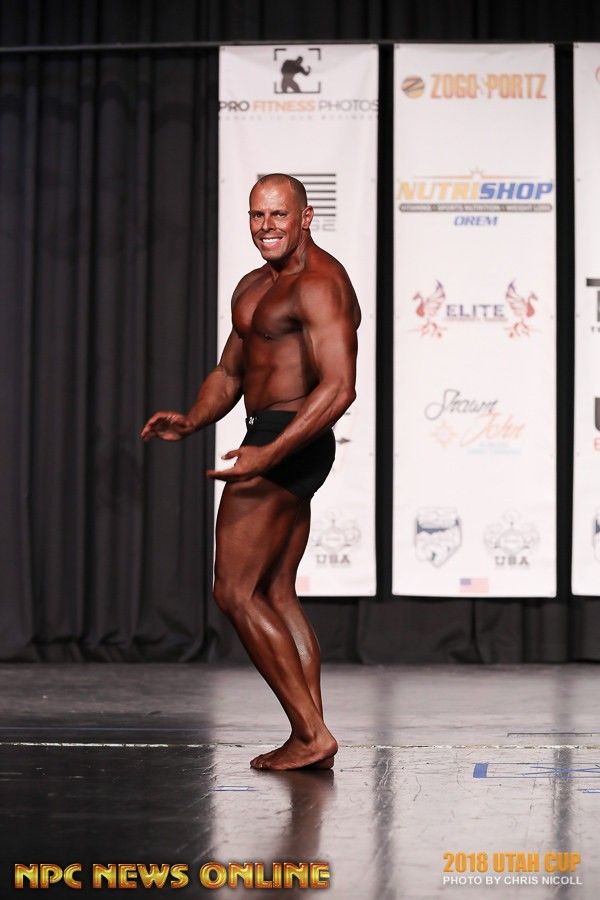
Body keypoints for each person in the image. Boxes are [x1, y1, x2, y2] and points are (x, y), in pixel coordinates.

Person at [140, 173, 360, 770]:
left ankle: (310, 735)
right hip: (269, 435)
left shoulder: (321, 285)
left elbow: (340, 388)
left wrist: (272, 452)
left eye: (278, 215)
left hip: (291, 438)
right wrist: (193, 419)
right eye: (257, 215)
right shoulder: (254, 286)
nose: (266, 226)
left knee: (233, 590)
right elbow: (231, 372)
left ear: (306, 216)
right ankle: (312, 734)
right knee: (275, 590)